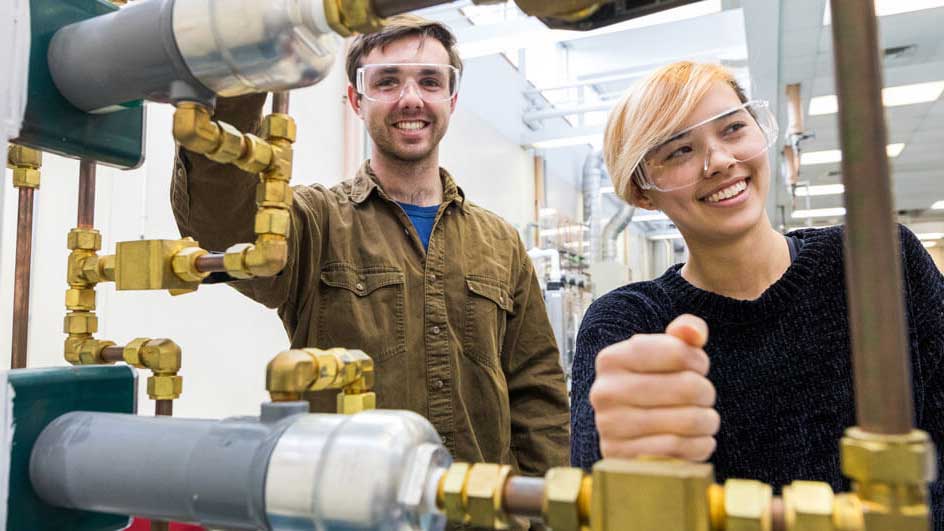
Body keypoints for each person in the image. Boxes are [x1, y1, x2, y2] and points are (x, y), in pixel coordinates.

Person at [171, 15, 569, 475]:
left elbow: (537, 394)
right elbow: (221, 227)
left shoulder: (502, 243)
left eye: (429, 81)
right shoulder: (314, 223)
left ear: (452, 98)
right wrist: (245, 57)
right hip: (348, 513)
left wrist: (536, 513)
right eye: (387, 81)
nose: (411, 98)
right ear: (356, 100)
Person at [570, 61, 944, 518]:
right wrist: (623, 454)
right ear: (642, 191)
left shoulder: (878, 260)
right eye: (679, 151)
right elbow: (602, 502)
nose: (721, 161)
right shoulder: (630, 323)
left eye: (732, 129)